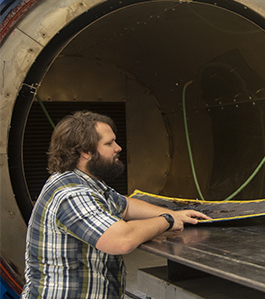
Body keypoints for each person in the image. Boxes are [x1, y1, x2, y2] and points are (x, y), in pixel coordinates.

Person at [22, 111, 210, 298]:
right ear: (85, 152)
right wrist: (167, 220)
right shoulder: (72, 194)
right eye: (109, 143)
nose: (118, 148)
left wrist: (177, 214)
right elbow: (122, 240)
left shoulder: (85, 182)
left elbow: (125, 206)